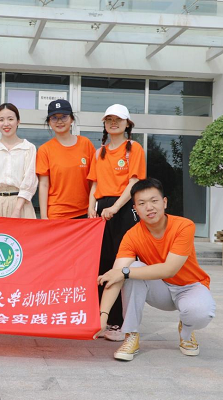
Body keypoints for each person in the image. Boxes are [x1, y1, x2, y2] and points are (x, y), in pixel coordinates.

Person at [95, 178, 216, 361]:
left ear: (164, 202)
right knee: (131, 269)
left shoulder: (184, 226)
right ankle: (131, 335)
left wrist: (124, 272)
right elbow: (115, 276)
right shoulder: (132, 235)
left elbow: (169, 269)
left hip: (189, 287)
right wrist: (102, 317)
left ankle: (186, 331)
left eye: (154, 201)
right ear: (135, 209)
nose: (149, 207)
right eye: (142, 203)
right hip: (160, 290)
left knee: (200, 313)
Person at [87, 104, 146, 342]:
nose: (113, 123)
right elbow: (94, 184)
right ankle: (106, 320)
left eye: (118, 119)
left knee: (122, 264)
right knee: (102, 263)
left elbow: (133, 182)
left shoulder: (134, 148)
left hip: (123, 210)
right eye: (109, 119)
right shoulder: (99, 152)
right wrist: (90, 207)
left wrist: (115, 207)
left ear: (127, 124)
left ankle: (123, 323)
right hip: (102, 211)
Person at [36, 99, 95, 219]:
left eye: (64, 117)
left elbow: (94, 180)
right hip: (57, 214)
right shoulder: (45, 150)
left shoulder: (86, 144)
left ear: (72, 119)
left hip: (84, 212)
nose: (59, 121)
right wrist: (43, 216)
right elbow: (44, 184)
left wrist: (92, 207)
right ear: (49, 122)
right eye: (54, 118)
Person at [0, 103, 37, 218]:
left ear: (18, 121)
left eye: (10, 119)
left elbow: (29, 180)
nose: (6, 123)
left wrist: (17, 210)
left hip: (22, 205)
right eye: (1, 120)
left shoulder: (29, 148)